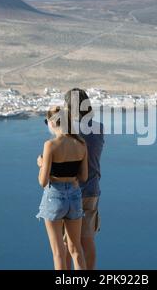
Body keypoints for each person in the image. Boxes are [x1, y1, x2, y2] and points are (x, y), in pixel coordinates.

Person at [36, 106, 88, 270]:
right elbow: (84, 177)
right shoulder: (81, 143)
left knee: (58, 253)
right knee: (76, 249)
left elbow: (42, 181)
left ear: (52, 122)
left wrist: (42, 164)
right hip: (74, 196)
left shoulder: (50, 145)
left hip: (55, 196)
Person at [64, 88, 104, 270]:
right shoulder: (99, 127)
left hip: (72, 191)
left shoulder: (68, 130)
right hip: (92, 190)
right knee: (88, 241)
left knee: (68, 244)